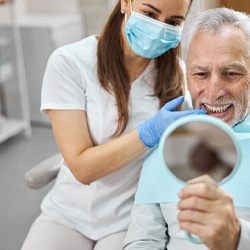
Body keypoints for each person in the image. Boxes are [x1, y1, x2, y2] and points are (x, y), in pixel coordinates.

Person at [21, 0, 206, 249]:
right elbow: (82, 168)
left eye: (173, 23)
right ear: (125, 3)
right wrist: (148, 133)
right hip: (67, 214)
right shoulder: (70, 63)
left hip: (129, 219)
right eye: (150, 13)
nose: (159, 28)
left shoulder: (179, 77)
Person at [122, 7, 250, 250]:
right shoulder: (165, 149)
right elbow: (142, 240)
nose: (213, 93)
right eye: (200, 74)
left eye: (231, 73)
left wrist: (238, 238)